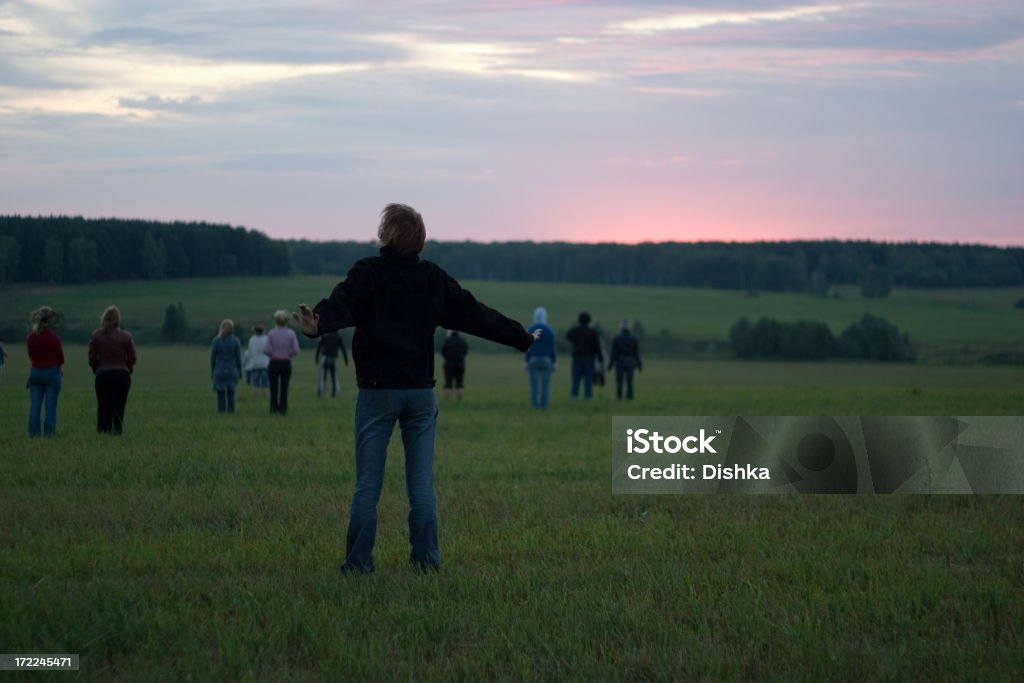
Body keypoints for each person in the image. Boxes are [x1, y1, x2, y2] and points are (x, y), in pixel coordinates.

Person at [293, 203, 540, 574]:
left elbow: (341, 304)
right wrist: (521, 337)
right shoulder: (433, 279)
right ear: (420, 240)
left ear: (386, 234)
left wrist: (319, 323)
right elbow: (476, 313)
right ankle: (426, 562)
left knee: (368, 487)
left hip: (377, 393)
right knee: (421, 486)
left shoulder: (367, 273)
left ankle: (358, 565)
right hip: (420, 394)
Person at [88, 306, 138, 434]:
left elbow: (92, 357)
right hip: (122, 375)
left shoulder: (96, 335)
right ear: (118, 320)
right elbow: (132, 357)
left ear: (104, 319)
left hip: (103, 374)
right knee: (119, 406)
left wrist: (96, 369)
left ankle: (103, 432)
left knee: (103, 405)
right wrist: (128, 368)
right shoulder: (126, 336)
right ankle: (117, 432)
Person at [26, 306, 64, 437]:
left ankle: (33, 434)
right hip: (52, 373)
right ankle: (49, 434)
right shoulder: (54, 338)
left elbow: (31, 355)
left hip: (35, 372)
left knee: (35, 406)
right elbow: (61, 358)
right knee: (50, 407)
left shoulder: (31, 337)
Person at [264, 310, 299, 414]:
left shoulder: (271, 333)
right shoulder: (291, 333)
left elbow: (266, 350)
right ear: (286, 321)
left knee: (273, 387)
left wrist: (273, 354)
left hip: (274, 362)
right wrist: (289, 354)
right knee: (284, 387)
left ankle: (273, 408)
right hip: (286, 362)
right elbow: (296, 350)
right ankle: (283, 409)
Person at [567, 311, 602, 400]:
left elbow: (568, 335)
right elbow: (597, 347)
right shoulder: (593, 332)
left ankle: (574, 397)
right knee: (588, 379)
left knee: (576, 379)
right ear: (589, 321)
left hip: (577, 358)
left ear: (579, 320)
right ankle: (588, 397)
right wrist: (600, 358)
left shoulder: (576, 331)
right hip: (589, 359)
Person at [525, 307, 556, 409]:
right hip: (546, 360)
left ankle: (534, 406)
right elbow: (552, 348)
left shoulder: (531, 329)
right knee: (545, 385)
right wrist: (554, 362)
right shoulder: (549, 330)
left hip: (533, 359)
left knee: (534, 385)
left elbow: (527, 346)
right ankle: (544, 406)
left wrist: (526, 360)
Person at [210, 319, 242, 413]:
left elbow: (213, 358)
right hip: (232, 369)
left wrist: (212, 371)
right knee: (231, 392)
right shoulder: (236, 341)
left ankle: (221, 411)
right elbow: (238, 358)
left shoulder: (216, 341)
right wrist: (240, 371)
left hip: (219, 369)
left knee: (220, 392)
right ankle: (231, 411)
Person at [609, 319, 642, 400]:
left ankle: (619, 397)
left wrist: (610, 365)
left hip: (619, 362)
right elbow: (636, 353)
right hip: (630, 362)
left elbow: (614, 353)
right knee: (630, 381)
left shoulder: (616, 338)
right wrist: (639, 364)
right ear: (629, 328)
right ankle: (629, 397)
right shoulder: (634, 338)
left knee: (619, 381)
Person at [315, 330, 348, 398]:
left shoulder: (325, 336)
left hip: (325, 358)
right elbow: (343, 349)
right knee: (334, 377)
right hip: (334, 358)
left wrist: (316, 359)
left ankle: (320, 393)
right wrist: (346, 360)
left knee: (322, 377)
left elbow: (319, 347)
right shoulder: (338, 337)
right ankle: (334, 394)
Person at [440, 330, 468, 400]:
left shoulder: (447, 341)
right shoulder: (462, 341)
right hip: (460, 364)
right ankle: (459, 400)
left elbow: (443, 352)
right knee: (459, 383)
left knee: (448, 383)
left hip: (448, 364)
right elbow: (465, 352)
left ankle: (447, 400)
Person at [247, 325, 270, 397]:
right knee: (265, 384)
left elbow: (250, 351)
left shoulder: (252, 339)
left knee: (255, 384)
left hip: (255, 364)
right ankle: (266, 398)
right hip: (265, 364)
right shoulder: (267, 339)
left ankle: (254, 398)